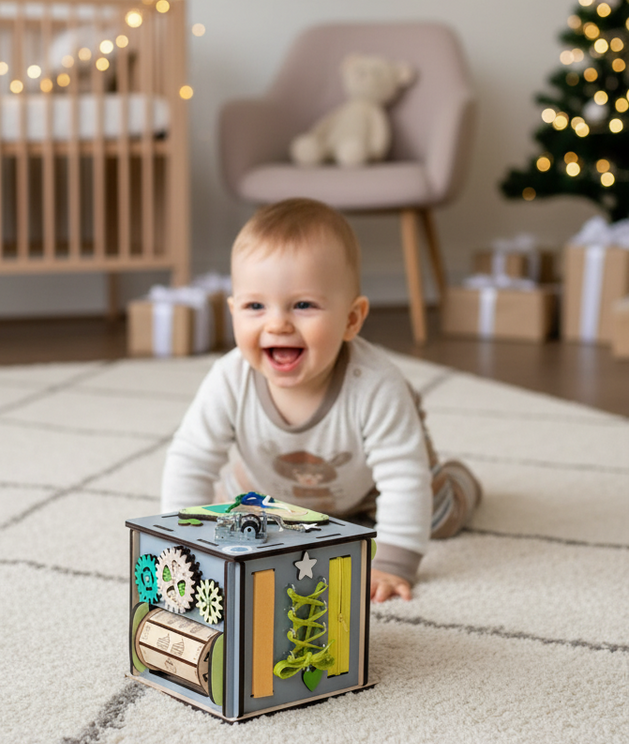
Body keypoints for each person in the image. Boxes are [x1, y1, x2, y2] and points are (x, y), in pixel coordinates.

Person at [161, 198, 481, 601]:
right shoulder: (229, 379)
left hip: (369, 488)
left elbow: (402, 477)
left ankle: (461, 482)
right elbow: (191, 457)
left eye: (303, 305)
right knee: (234, 514)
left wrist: (393, 563)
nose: (277, 323)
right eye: (255, 306)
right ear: (233, 312)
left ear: (351, 319)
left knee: (435, 515)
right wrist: (179, 543)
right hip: (269, 486)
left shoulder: (376, 385)